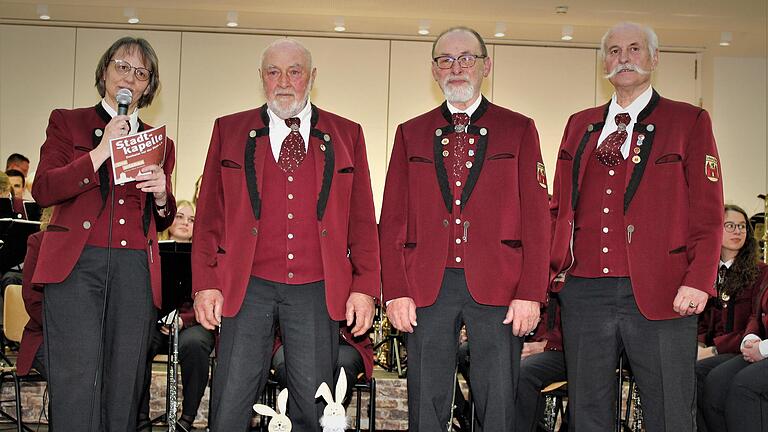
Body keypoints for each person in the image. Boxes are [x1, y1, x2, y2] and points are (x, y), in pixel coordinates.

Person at [192, 38, 380, 432]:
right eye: (273, 72)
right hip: (247, 286)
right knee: (229, 402)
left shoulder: (347, 134)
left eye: (294, 72)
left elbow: (362, 222)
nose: (283, 82)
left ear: (311, 77)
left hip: (316, 289)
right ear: (260, 78)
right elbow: (209, 215)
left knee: (313, 404)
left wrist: (365, 287)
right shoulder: (229, 130)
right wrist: (206, 283)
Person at [549, 22, 723, 431]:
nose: (623, 58)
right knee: (587, 409)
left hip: (664, 290)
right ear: (603, 62)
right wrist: (552, 272)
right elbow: (558, 207)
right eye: (613, 51)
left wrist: (699, 280)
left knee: (669, 408)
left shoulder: (689, 121)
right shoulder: (580, 124)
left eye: (633, 49)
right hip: (585, 290)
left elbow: (709, 212)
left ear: (654, 58)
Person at [379, 26, 550, 431]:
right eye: (446, 60)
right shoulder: (410, 133)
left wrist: (530, 294)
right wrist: (396, 291)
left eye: (466, 59)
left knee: (497, 401)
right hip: (426, 287)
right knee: (426, 398)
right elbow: (392, 221)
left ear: (486, 65)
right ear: (434, 70)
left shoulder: (519, 128)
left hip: (499, 285)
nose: (456, 68)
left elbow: (538, 219)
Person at [31, 37, 176, 431]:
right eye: (122, 67)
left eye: (140, 72)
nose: (129, 77)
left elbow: (161, 219)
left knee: (125, 381)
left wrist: (163, 194)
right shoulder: (67, 121)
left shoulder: (161, 143)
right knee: (76, 378)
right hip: (76, 265)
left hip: (133, 268)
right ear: (105, 72)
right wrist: (101, 151)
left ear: (148, 86)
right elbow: (43, 189)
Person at [139, 199, 213, 432]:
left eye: (191, 220)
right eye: (179, 216)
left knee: (196, 343)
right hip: (156, 322)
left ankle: (187, 418)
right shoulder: (150, 251)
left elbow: (207, 294)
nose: (185, 223)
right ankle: (140, 417)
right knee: (139, 342)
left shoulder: (204, 256)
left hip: (192, 321)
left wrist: (183, 319)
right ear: (169, 220)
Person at [696, 205, 768, 431]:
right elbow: (703, 321)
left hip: (740, 347)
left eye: (742, 226)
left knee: (721, 381)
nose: (737, 231)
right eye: (730, 225)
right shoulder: (706, 272)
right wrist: (697, 344)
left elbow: (754, 320)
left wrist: (714, 349)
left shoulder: (760, 272)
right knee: (689, 376)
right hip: (717, 349)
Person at [699, 270, 768, 431]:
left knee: (744, 385)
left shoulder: (760, 271)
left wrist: (762, 349)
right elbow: (756, 314)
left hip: (763, 349)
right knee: (709, 377)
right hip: (759, 345)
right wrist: (750, 337)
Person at [272, 325, 374, 402]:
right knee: (287, 363)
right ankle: (299, 414)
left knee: (343, 366)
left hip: (345, 338)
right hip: (292, 336)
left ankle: (332, 417)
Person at [515, 297, 567, 432]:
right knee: (469, 354)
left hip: (565, 349)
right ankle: (465, 416)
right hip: (530, 340)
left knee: (523, 371)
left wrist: (546, 345)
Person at [18, 206, 54, 380]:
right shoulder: (39, 242)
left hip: (90, 337)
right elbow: (33, 300)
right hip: (45, 335)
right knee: (72, 378)